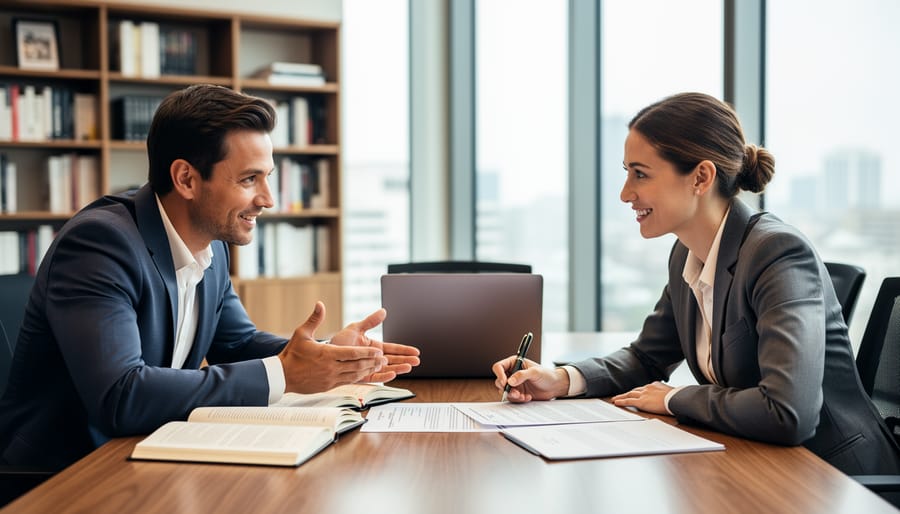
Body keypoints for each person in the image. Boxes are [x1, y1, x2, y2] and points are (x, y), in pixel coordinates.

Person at [0, 84, 420, 470]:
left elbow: (234, 344)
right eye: (248, 179)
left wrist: (330, 357)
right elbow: (120, 396)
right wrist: (288, 374)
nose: (268, 200)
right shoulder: (100, 244)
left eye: (267, 178)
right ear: (186, 178)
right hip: (64, 474)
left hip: (146, 453)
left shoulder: (211, 244)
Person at [492, 92, 900, 476]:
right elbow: (646, 359)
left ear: (701, 177)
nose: (625, 193)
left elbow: (788, 411)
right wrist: (560, 379)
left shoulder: (777, 252)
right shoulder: (686, 254)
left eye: (641, 174)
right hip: (754, 461)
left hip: (832, 477)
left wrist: (673, 398)